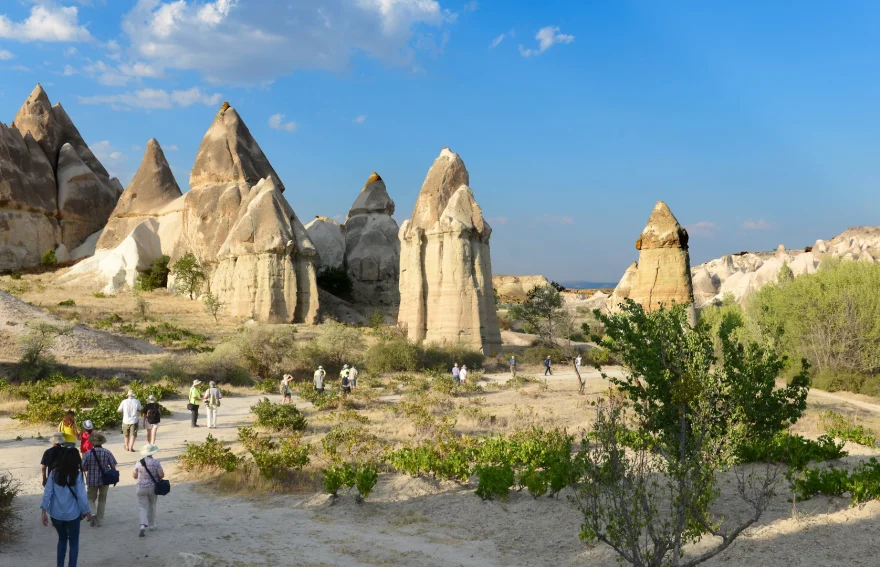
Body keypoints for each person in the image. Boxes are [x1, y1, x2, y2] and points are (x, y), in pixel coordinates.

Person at [40, 448, 92, 567]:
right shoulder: (77, 475)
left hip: (56, 515)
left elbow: (47, 492)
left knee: (62, 539)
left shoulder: (54, 473)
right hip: (73, 515)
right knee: (74, 542)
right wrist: (87, 511)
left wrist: (43, 511)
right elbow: (81, 496)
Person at [81, 433, 117, 528]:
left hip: (92, 480)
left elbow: (83, 468)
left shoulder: (88, 453)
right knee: (102, 500)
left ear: (93, 443)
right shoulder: (107, 452)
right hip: (105, 480)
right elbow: (113, 466)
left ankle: (93, 513)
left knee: (90, 499)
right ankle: (100, 520)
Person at [133, 443, 164, 537]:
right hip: (152, 487)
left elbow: (134, 475)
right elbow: (161, 475)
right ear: (153, 452)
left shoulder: (138, 462)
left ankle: (142, 525)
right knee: (152, 505)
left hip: (141, 487)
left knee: (142, 506)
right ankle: (152, 524)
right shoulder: (156, 462)